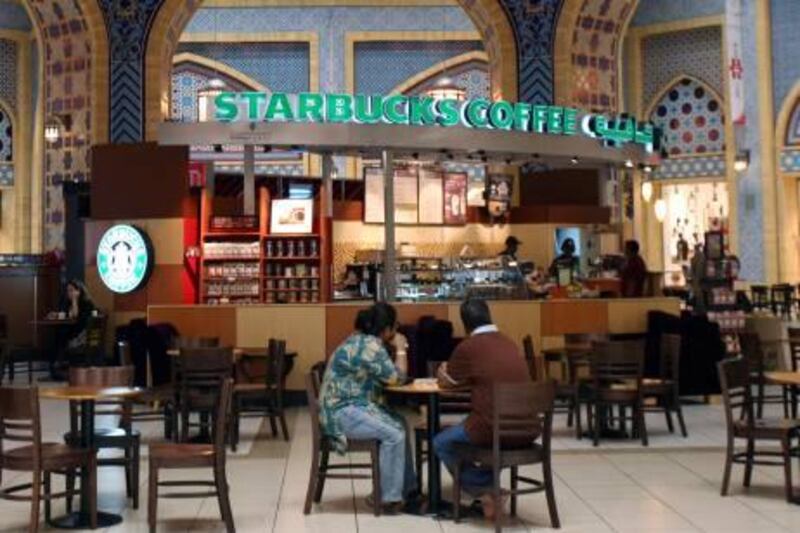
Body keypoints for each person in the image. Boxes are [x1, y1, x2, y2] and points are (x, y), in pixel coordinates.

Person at [433, 299, 531, 519]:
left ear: (465, 324)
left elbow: (449, 383)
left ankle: (487, 491)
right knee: (472, 438)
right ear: (489, 316)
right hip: (527, 429)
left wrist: (441, 373)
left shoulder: (468, 346)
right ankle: (488, 490)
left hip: (493, 428)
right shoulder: (509, 342)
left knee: (442, 442)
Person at [319, 303, 417, 512]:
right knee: (394, 434)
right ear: (388, 328)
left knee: (400, 423)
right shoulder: (370, 345)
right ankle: (387, 498)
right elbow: (397, 378)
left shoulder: (359, 340)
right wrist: (401, 348)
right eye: (395, 327)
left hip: (344, 407)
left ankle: (407, 490)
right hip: (342, 413)